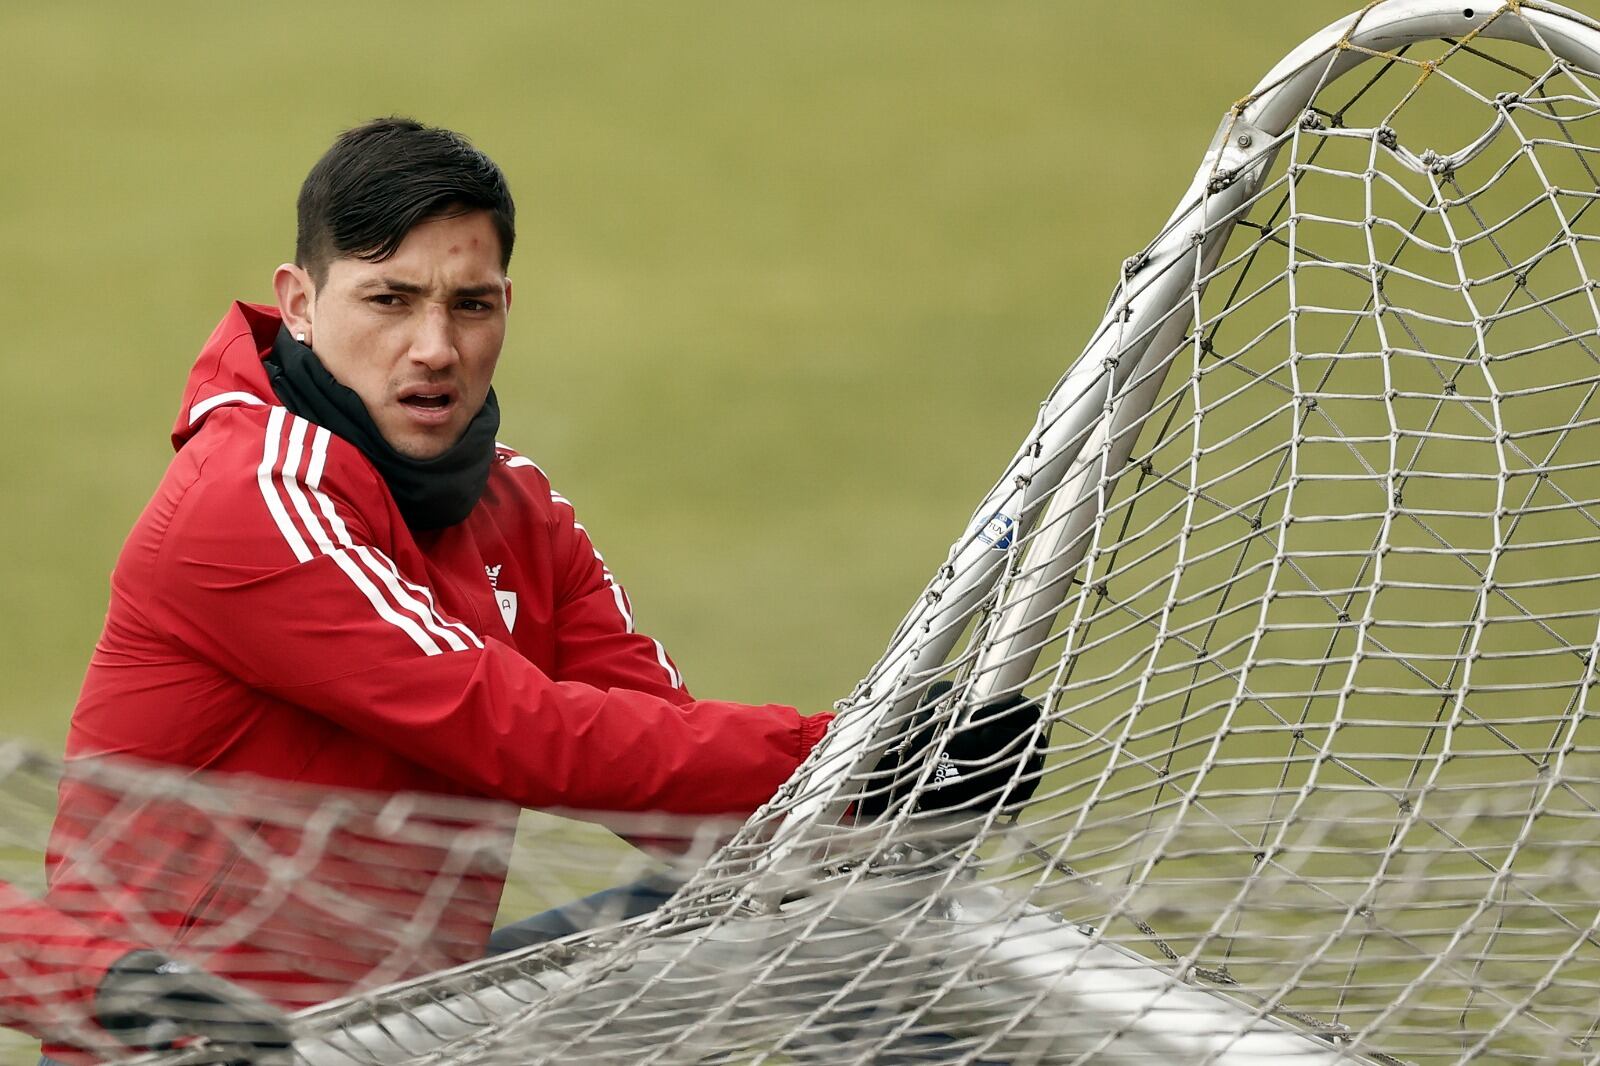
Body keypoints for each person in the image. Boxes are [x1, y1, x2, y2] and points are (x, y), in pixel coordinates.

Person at [31, 117, 1040, 1064]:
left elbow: (662, 766)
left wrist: (873, 800)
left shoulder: (520, 506)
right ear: (298, 303)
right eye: (390, 299)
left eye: (468, 305)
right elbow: (506, 727)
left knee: (832, 924)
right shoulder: (251, 496)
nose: (434, 348)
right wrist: (845, 756)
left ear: (505, 308)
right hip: (210, 1048)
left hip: (409, 1026)